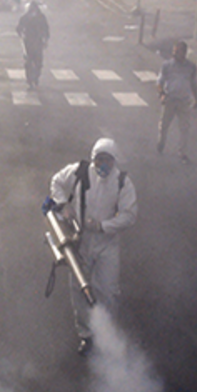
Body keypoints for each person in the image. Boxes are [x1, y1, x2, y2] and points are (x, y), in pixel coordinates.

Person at [48, 138, 137, 355]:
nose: (103, 165)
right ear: (93, 159)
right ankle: (86, 335)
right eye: (99, 160)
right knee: (79, 288)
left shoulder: (122, 182)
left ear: (114, 161)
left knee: (108, 290)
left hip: (107, 244)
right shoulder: (79, 172)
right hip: (81, 242)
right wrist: (64, 205)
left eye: (108, 160)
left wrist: (103, 226)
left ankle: (108, 333)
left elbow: (129, 215)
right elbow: (56, 183)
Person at [157, 41, 197, 164]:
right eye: (174, 51)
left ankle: (182, 152)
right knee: (164, 125)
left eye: (177, 51)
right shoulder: (167, 65)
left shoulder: (191, 67)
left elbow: (194, 84)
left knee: (184, 128)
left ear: (184, 53)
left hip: (184, 102)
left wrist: (196, 99)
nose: (174, 54)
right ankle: (161, 142)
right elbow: (159, 82)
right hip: (170, 99)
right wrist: (161, 94)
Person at [16, 1, 50, 88]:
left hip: (37, 42)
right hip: (29, 42)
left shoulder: (40, 17)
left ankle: (35, 78)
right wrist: (21, 34)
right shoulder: (27, 17)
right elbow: (19, 28)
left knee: (38, 62)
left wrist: (45, 38)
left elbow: (46, 29)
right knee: (29, 61)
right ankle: (30, 79)